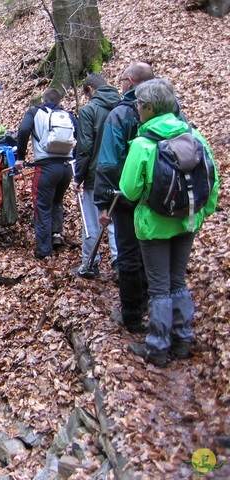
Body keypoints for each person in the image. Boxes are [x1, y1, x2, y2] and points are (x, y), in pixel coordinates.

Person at [120, 78, 218, 366]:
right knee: (178, 281)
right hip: (187, 222)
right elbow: (213, 180)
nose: (136, 109)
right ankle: (183, 339)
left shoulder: (143, 144)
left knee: (160, 286)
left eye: (138, 104)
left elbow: (129, 190)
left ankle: (157, 347)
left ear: (149, 108)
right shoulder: (195, 136)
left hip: (154, 226)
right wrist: (201, 214)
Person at [93, 62, 154, 333]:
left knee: (129, 252)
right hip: (159, 196)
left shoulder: (120, 115)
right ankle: (153, 303)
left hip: (126, 196)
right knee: (151, 250)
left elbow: (107, 162)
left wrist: (103, 202)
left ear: (129, 82)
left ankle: (132, 315)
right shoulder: (170, 110)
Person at [16, 87, 76, 259]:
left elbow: (23, 131)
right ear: (59, 102)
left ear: (42, 100)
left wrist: (20, 157)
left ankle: (44, 252)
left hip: (46, 168)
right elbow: (80, 137)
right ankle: (56, 234)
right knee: (57, 201)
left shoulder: (34, 112)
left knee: (42, 207)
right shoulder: (68, 115)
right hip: (66, 167)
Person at [71, 74, 121, 279]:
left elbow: (85, 147)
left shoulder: (89, 110)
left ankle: (90, 263)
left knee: (92, 220)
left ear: (90, 89)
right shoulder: (124, 107)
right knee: (117, 220)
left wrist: (78, 177)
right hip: (122, 175)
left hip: (96, 173)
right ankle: (120, 263)